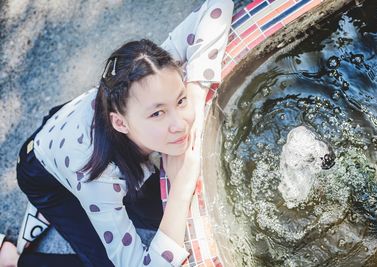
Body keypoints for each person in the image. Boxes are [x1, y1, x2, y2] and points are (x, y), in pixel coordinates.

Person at [0, 0, 234, 266]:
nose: (180, 124)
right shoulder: (98, 178)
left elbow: (219, 6)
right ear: (120, 123)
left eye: (178, 101)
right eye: (157, 113)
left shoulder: (155, 73)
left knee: (181, 213)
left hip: (71, 128)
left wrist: (192, 95)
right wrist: (180, 186)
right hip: (43, 174)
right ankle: (12, 258)